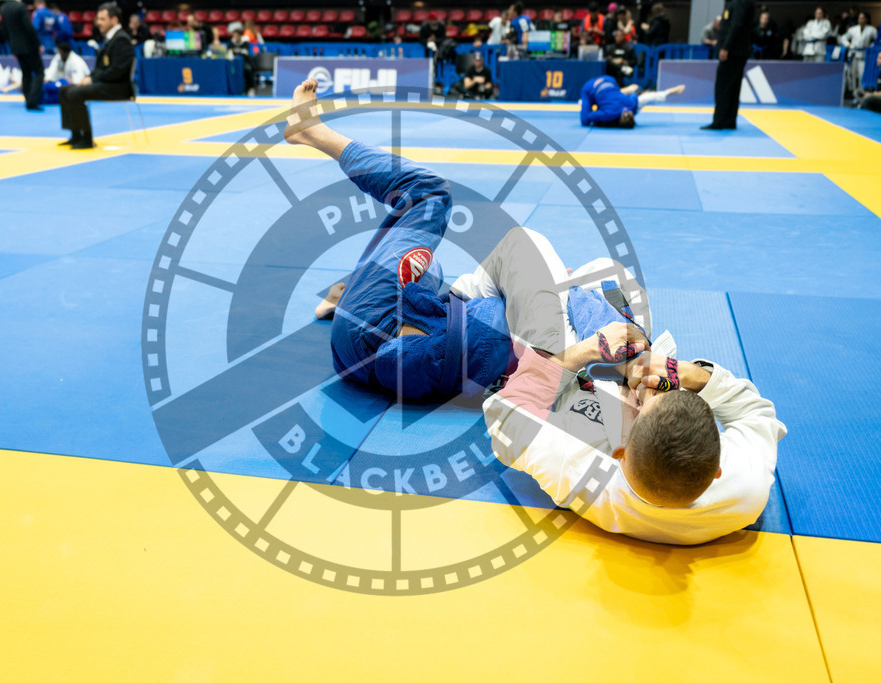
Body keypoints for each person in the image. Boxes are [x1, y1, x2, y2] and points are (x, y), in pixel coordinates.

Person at [469, 227, 786, 545]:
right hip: (614, 364)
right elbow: (756, 413)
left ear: (620, 451)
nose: (647, 391)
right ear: (717, 469)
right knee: (609, 273)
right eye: (666, 387)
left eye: (645, 401)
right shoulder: (744, 489)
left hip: (560, 366)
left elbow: (504, 416)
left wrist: (586, 350)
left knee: (526, 242)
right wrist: (687, 373)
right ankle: (565, 292)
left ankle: (469, 294)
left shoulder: (580, 470)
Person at [287, 78, 515, 401]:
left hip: (371, 330)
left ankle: (310, 131)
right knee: (430, 267)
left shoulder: (547, 330)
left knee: (430, 193)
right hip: (358, 362)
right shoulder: (544, 345)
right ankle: (344, 296)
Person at [57, 3, 134, 149]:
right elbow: (100, 68)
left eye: (102, 19)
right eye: (98, 19)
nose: (98, 22)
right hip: (107, 83)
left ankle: (87, 139)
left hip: (118, 87)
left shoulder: (121, 39)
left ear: (114, 20)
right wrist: (88, 78)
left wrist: (92, 79)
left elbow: (117, 70)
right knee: (65, 90)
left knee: (75, 93)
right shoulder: (110, 38)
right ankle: (76, 135)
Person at [702, 0, 755, 131]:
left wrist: (726, 47)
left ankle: (719, 121)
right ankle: (729, 120)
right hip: (738, 51)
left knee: (723, 87)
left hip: (733, 51)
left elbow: (737, 24)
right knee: (732, 87)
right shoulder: (740, 2)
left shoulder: (739, 2)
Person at [580, 75, 685, 128]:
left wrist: (599, 119)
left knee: (585, 121)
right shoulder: (631, 106)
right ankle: (621, 92)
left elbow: (588, 117)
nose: (628, 114)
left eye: (626, 117)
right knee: (642, 98)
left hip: (592, 88)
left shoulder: (610, 113)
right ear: (632, 115)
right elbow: (638, 96)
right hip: (609, 84)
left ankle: (621, 91)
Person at [0, 0, 44, 110]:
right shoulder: (20, 7)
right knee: (39, 72)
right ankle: (32, 101)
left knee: (26, 73)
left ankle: (28, 99)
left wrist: (12, 48)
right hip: (28, 46)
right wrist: (37, 44)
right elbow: (28, 27)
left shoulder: (3, 8)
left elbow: (5, 30)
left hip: (16, 47)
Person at [841, 11, 877, 95]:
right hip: (853, 53)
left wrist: (870, 46)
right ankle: (852, 91)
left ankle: (861, 91)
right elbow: (843, 38)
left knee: (861, 73)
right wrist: (849, 45)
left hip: (863, 55)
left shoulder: (871, 29)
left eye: (862, 18)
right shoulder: (853, 29)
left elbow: (876, 40)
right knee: (851, 73)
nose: (861, 20)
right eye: (859, 18)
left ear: (866, 19)